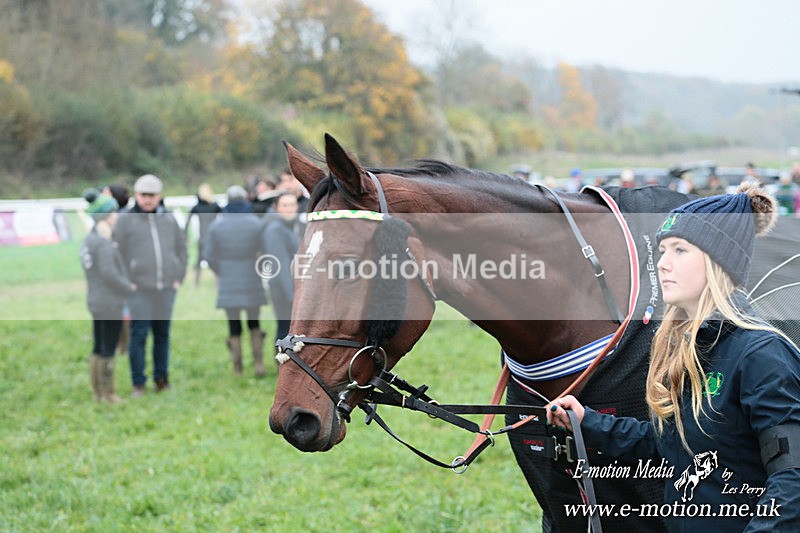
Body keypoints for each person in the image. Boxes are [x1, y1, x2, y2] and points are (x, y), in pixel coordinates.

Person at [547, 183, 800, 531]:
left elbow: (791, 476)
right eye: (662, 250)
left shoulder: (761, 354)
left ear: (716, 262)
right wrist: (586, 421)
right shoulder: (686, 348)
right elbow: (670, 445)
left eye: (680, 250)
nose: (663, 264)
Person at [114, 174, 187, 396]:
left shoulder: (169, 219)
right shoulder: (125, 220)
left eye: (152, 195)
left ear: (159, 196)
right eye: (144, 195)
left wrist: (178, 277)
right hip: (139, 290)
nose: (147, 199)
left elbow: (182, 249)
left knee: (162, 335)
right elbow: (117, 254)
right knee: (139, 336)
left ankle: (161, 379)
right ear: (136, 195)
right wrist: (127, 282)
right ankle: (138, 382)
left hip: (166, 288)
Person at [203, 185, 268, 377]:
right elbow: (265, 251)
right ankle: (258, 364)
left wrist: (222, 270)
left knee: (233, 323)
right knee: (254, 321)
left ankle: (237, 368)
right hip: (251, 276)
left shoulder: (217, 224)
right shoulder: (256, 223)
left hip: (228, 278)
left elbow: (209, 255)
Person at [80, 194, 134, 403]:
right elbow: (110, 274)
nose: (116, 217)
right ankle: (108, 393)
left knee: (98, 344)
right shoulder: (102, 243)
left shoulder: (89, 240)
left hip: (95, 299)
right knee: (108, 347)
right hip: (109, 302)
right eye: (112, 213)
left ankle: (98, 392)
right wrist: (129, 288)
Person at [262, 192, 300, 347]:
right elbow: (280, 263)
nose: (289, 209)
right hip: (283, 288)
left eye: (292, 204)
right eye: (285, 205)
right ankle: (282, 364)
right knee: (285, 328)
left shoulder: (288, 227)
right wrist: (292, 295)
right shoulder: (275, 229)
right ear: (277, 208)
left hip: (289, 286)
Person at [185, 184, 222, 287]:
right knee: (215, 260)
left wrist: (185, 236)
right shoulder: (215, 206)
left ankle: (196, 283)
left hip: (202, 238)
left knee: (198, 262)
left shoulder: (198, 207)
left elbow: (187, 221)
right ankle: (217, 283)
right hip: (213, 238)